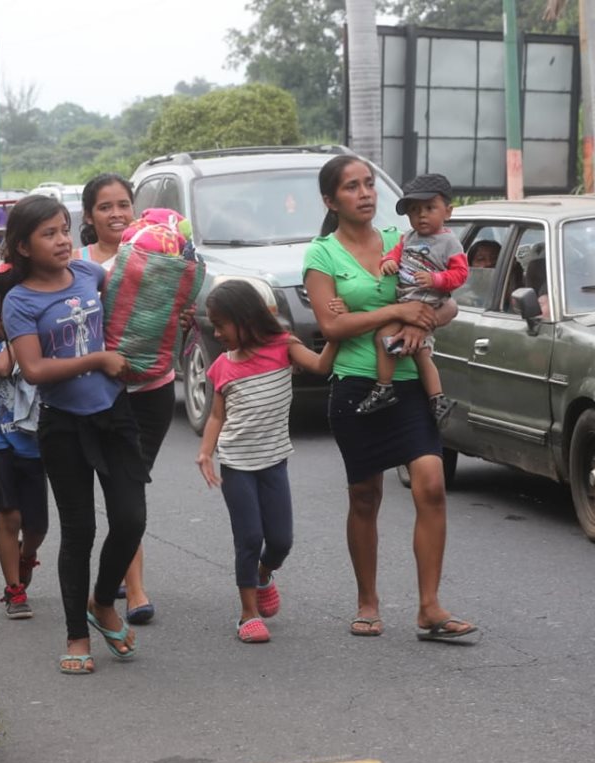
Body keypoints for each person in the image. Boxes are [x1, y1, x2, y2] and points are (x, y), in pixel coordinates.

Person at [302, 155, 478, 643]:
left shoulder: (406, 242)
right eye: (351, 187)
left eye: (368, 185)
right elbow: (332, 326)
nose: (364, 194)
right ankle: (368, 601)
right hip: (357, 386)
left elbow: (451, 302)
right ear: (330, 200)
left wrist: (429, 320)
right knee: (365, 497)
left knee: (432, 485)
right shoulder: (322, 255)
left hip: (409, 383)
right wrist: (397, 310)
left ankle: (429, 606)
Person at [0, 194, 141, 675]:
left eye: (64, 230)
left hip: (114, 415)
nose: (62, 240)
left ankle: (102, 602)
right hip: (63, 427)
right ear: (22, 247)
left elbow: (131, 311)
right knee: (79, 531)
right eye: (49, 234)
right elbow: (34, 370)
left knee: (131, 519)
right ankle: (76, 636)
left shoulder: (89, 275)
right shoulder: (18, 300)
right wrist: (98, 359)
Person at [194, 281, 335, 643]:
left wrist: (335, 331)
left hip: (274, 462)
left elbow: (320, 365)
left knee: (280, 541)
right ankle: (247, 614)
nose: (217, 333)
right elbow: (215, 416)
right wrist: (206, 453)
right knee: (249, 537)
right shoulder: (223, 366)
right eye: (213, 325)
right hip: (237, 464)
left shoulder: (283, 347)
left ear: (246, 318)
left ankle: (263, 575)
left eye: (222, 324)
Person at [76, 174, 166, 625]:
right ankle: (131, 587)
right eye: (105, 207)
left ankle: (122, 581)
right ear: (89, 216)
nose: (116, 214)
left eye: (124, 204)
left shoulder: (157, 252)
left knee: (131, 486)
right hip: (102, 396)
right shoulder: (77, 265)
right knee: (123, 491)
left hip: (155, 391)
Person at [358, 173, 468, 420]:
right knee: (384, 337)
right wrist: (388, 262)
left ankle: (437, 398)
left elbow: (461, 274)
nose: (421, 215)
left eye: (430, 208)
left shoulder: (450, 243)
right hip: (404, 302)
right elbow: (395, 253)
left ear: (447, 212)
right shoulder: (408, 237)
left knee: (421, 353)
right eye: (414, 210)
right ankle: (384, 387)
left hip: (428, 303)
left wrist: (437, 279)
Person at [0, 276, 48, 620]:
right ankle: (14, 589)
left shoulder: (36, 342)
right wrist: (19, 331)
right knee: (10, 516)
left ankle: (26, 556)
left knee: (38, 526)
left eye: (10, 311)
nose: (2, 318)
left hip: (33, 445)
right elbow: (2, 367)